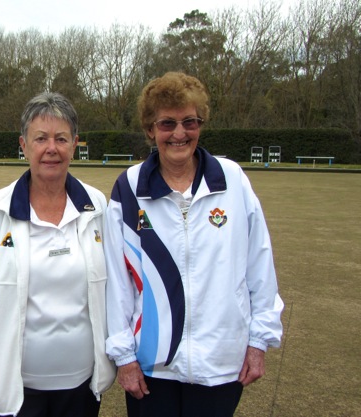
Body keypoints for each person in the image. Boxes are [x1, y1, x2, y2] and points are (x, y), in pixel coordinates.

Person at [104, 72, 284, 417]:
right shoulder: (128, 188)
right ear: (150, 129)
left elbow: (259, 265)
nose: (179, 133)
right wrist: (124, 356)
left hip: (220, 360)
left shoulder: (232, 179)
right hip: (152, 362)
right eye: (167, 123)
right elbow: (117, 281)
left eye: (190, 122)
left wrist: (259, 341)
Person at [0, 92, 116, 417]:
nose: (52, 148)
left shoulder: (97, 206)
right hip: (17, 388)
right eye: (41, 138)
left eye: (61, 138)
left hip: (82, 386)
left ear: (74, 144)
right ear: (23, 145)